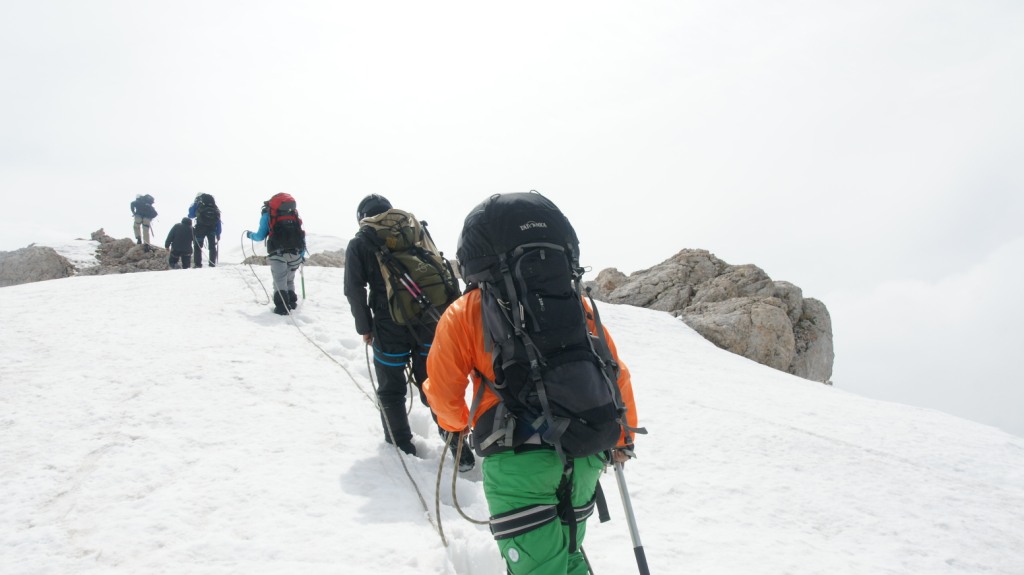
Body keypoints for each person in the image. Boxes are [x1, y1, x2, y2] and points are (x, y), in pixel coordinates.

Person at [422, 194, 640, 574]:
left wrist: (455, 425)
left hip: (518, 461)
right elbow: (613, 371)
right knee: (569, 557)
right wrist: (623, 439)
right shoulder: (577, 306)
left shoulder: (465, 312)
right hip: (585, 450)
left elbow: (444, 395)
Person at [343, 194, 475, 471]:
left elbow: (354, 289)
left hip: (389, 327)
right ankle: (458, 447)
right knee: (435, 384)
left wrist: (364, 328)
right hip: (430, 321)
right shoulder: (414, 230)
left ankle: (401, 447)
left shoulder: (361, 242)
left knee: (391, 390)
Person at [245, 193, 305, 315]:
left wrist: (249, 235)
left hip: (278, 254)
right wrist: (301, 255)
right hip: (295, 253)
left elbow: (260, 236)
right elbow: (300, 234)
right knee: (289, 279)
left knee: (280, 280)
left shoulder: (268, 215)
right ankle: (292, 303)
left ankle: (282, 308)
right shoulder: (293, 214)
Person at [188, 193, 222, 268]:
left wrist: (194, 204)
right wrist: (218, 233)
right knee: (212, 246)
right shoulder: (214, 207)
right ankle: (212, 264)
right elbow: (218, 221)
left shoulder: (199, 204)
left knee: (198, 246)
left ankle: (198, 264)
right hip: (212, 229)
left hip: (200, 228)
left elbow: (191, 215)